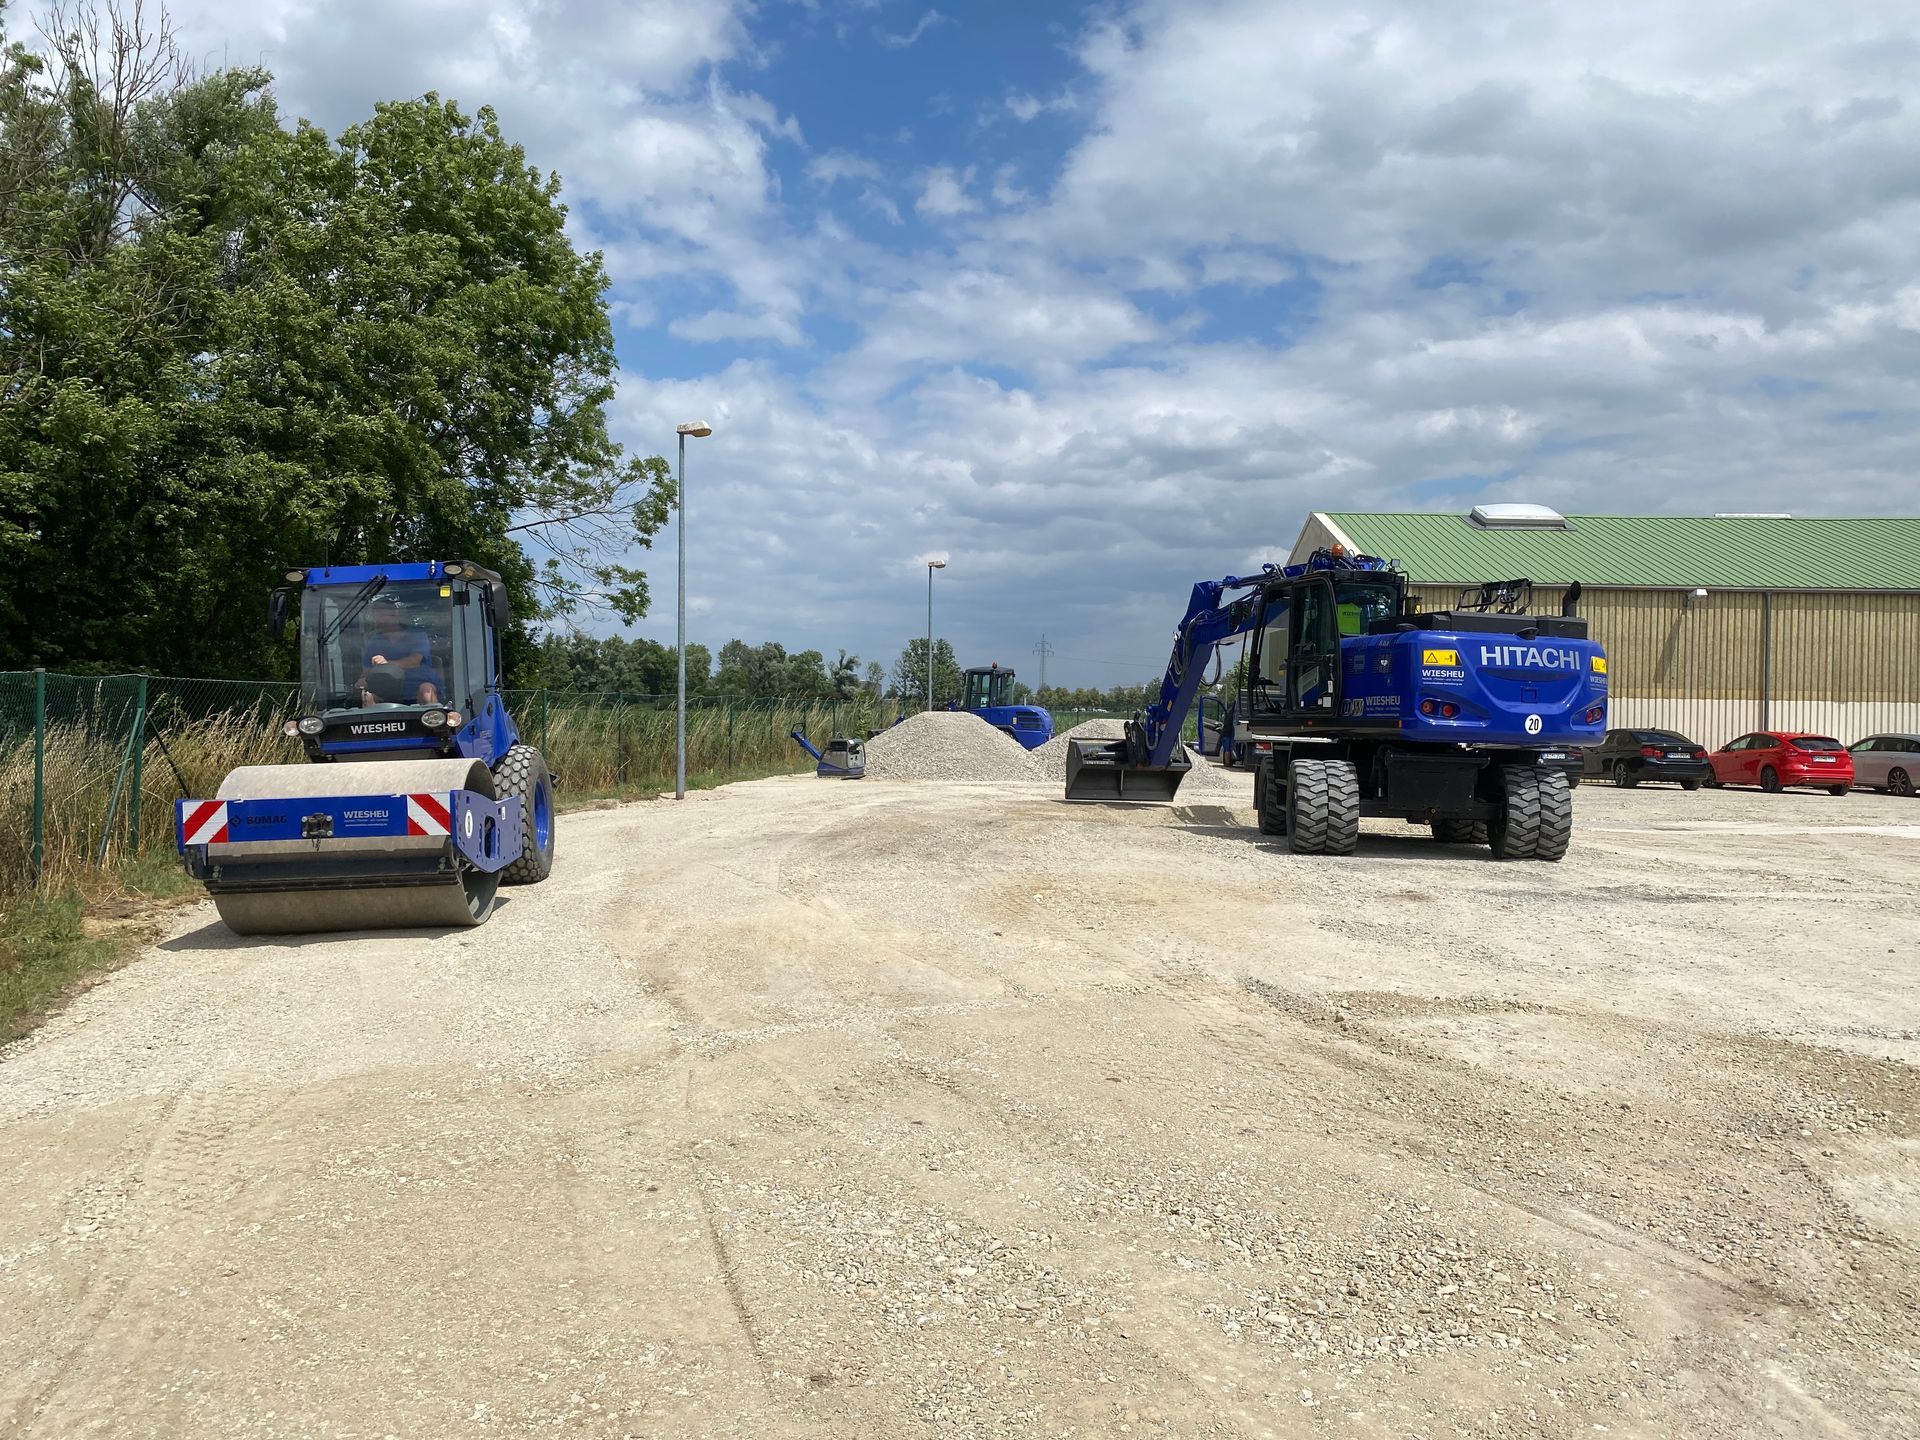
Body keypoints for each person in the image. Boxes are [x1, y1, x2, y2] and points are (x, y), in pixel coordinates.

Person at [357, 603, 442, 705]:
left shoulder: (417, 636)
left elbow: (415, 661)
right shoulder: (374, 641)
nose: (381, 621)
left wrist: (387, 665)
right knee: (367, 695)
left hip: (416, 685)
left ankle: (434, 719)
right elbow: (367, 670)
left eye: (385, 616)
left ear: (396, 616)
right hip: (385, 689)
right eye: (377, 617)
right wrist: (362, 680)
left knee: (426, 691)